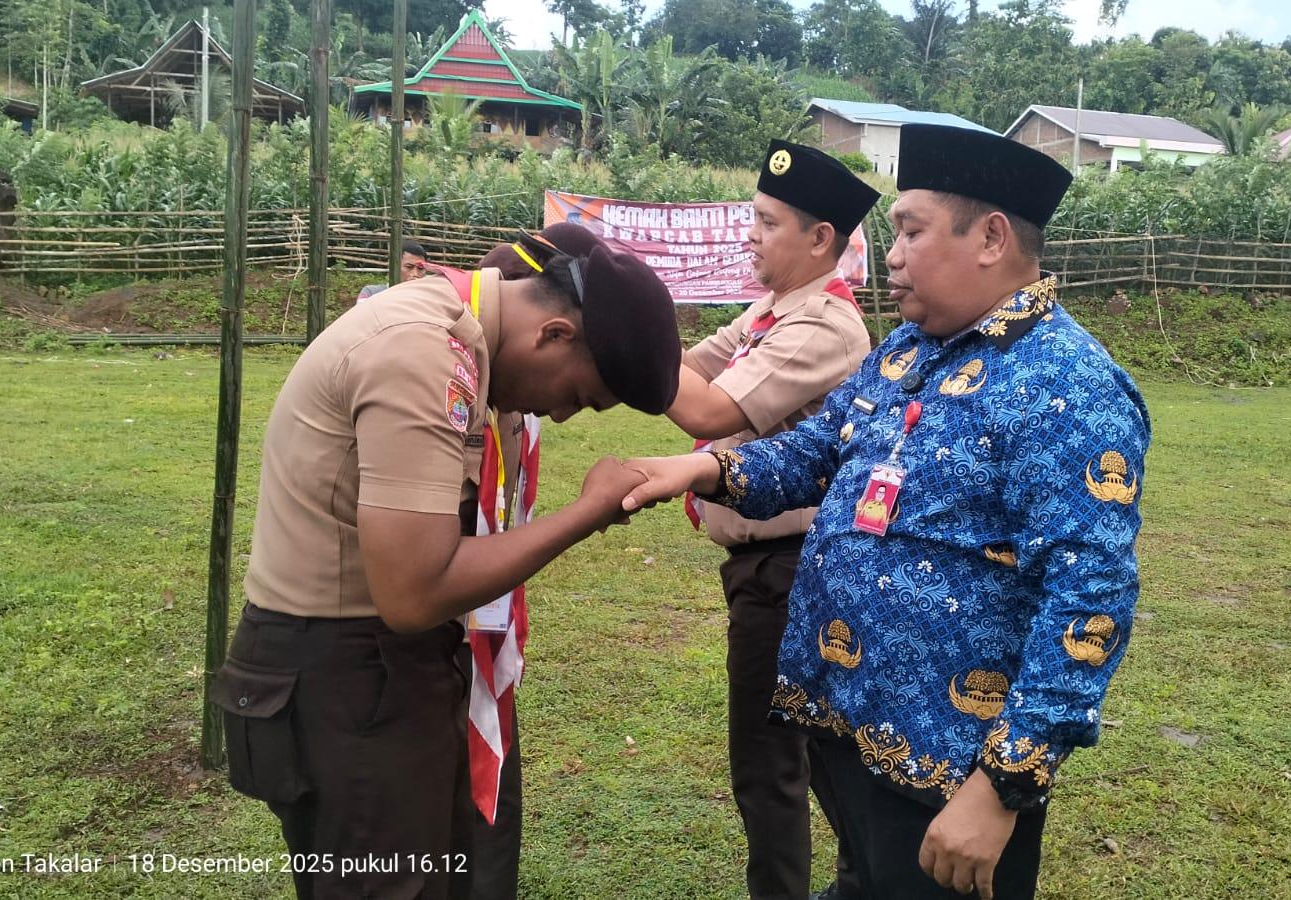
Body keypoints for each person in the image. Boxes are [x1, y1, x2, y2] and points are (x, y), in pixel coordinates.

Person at [622, 123, 1151, 900]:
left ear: (992, 238)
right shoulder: (905, 350)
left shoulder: (1070, 387)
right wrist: (699, 468)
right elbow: (815, 455)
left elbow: (1089, 602)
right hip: (845, 723)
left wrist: (999, 788)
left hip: (950, 765)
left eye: (910, 231)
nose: (891, 255)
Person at [209, 239, 681, 900]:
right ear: (554, 333)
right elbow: (412, 590)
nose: (563, 413)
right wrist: (591, 511)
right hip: (342, 676)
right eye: (580, 394)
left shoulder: (459, 340)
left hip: (388, 668)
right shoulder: (422, 351)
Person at [665, 139, 878, 900]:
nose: (747, 234)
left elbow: (707, 403)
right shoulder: (771, 310)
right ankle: (863, 877)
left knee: (770, 763)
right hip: (767, 567)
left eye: (764, 221)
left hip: (789, 569)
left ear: (819, 238)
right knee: (810, 754)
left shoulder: (822, 327)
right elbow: (690, 363)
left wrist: (620, 344)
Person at [463, 221, 607, 900]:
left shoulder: (510, 406)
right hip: (435, 656)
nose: (560, 412)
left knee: (488, 822)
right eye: (574, 396)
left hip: (484, 653)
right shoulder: (452, 387)